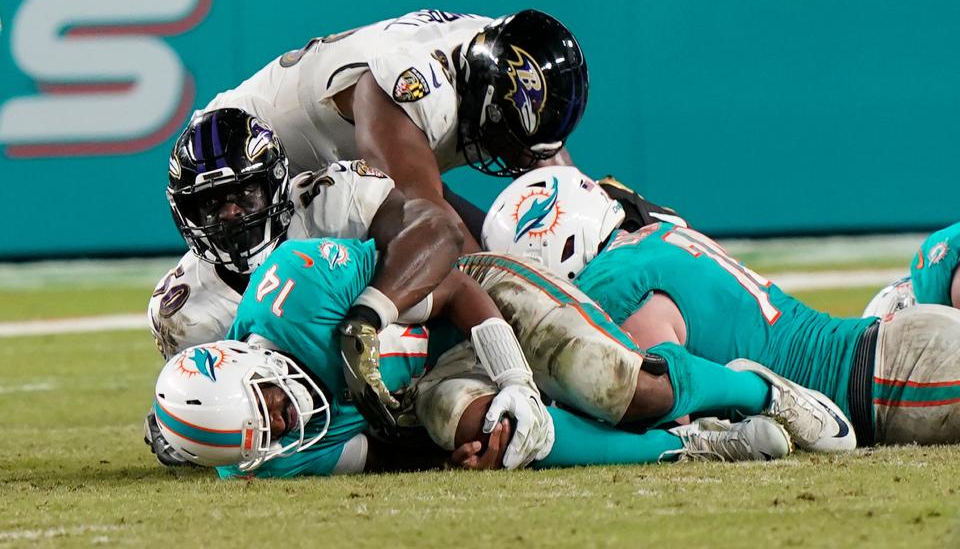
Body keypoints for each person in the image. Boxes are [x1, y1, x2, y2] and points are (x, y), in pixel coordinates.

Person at [154, 236, 847, 478]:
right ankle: (692, 445)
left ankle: (760, 392)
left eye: (271, 406)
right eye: (270, 435)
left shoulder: (300, 292)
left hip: (476, 301)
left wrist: (514, 375)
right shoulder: (271, 456)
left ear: (249, 363)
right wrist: (479, 431)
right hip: (431, 379)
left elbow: (449, 281)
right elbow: (387, 450)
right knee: (501, 437)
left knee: (620, 388)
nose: (289, 421)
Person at [146, 109, 553, 468]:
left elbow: (439, 238)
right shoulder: (183, 312)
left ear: (275, 184)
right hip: (409, 403)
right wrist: (183, 426)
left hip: (462, 308)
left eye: (243, 194)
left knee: (594, 371)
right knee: (492, 431)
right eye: (211, 203)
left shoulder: (332, 200)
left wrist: (368, 314)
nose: (230, 215)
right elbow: (227, 410)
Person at [484, 166, 960, 446]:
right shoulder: (658, 236)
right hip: (892, 350)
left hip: (884, 380)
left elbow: (668, 407)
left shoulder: (614, 283)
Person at [194, 9, 589, 249]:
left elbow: (560, 187)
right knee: (430, 269)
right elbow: (430, 229)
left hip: (353, 161)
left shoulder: (495, 54)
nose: (518, 158)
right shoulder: (409, 87)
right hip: (241, 166)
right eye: (509, 141)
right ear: (486, 104)